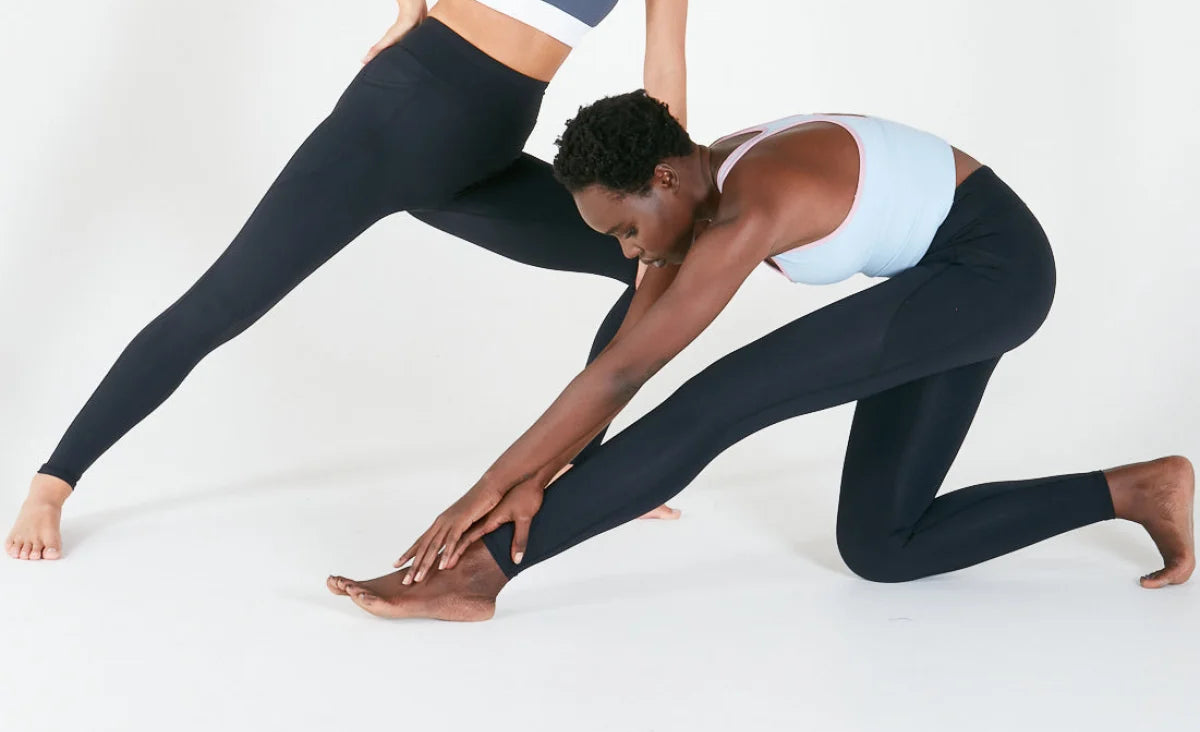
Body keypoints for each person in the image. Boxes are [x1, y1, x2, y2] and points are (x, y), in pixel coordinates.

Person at [6, 0, 693, 562]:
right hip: (391, 125)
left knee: (648, 268)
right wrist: (409, 1)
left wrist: (663, 192)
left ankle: (578, 475)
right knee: (223, 304)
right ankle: (52, 482)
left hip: (480, 158)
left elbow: (664, 70)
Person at [327, 90, 1195, 621]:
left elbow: (637, 376)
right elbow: (627, 349)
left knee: (721, 403)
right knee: (882, 548)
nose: (630, 250)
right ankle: (1138, 488)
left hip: (991, 272)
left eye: (627, 229)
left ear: (664, 179)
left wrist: (491, 492)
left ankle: (482, 574)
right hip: (943, 279)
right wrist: (544, 471)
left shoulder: (756, 203)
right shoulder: (694, 188)